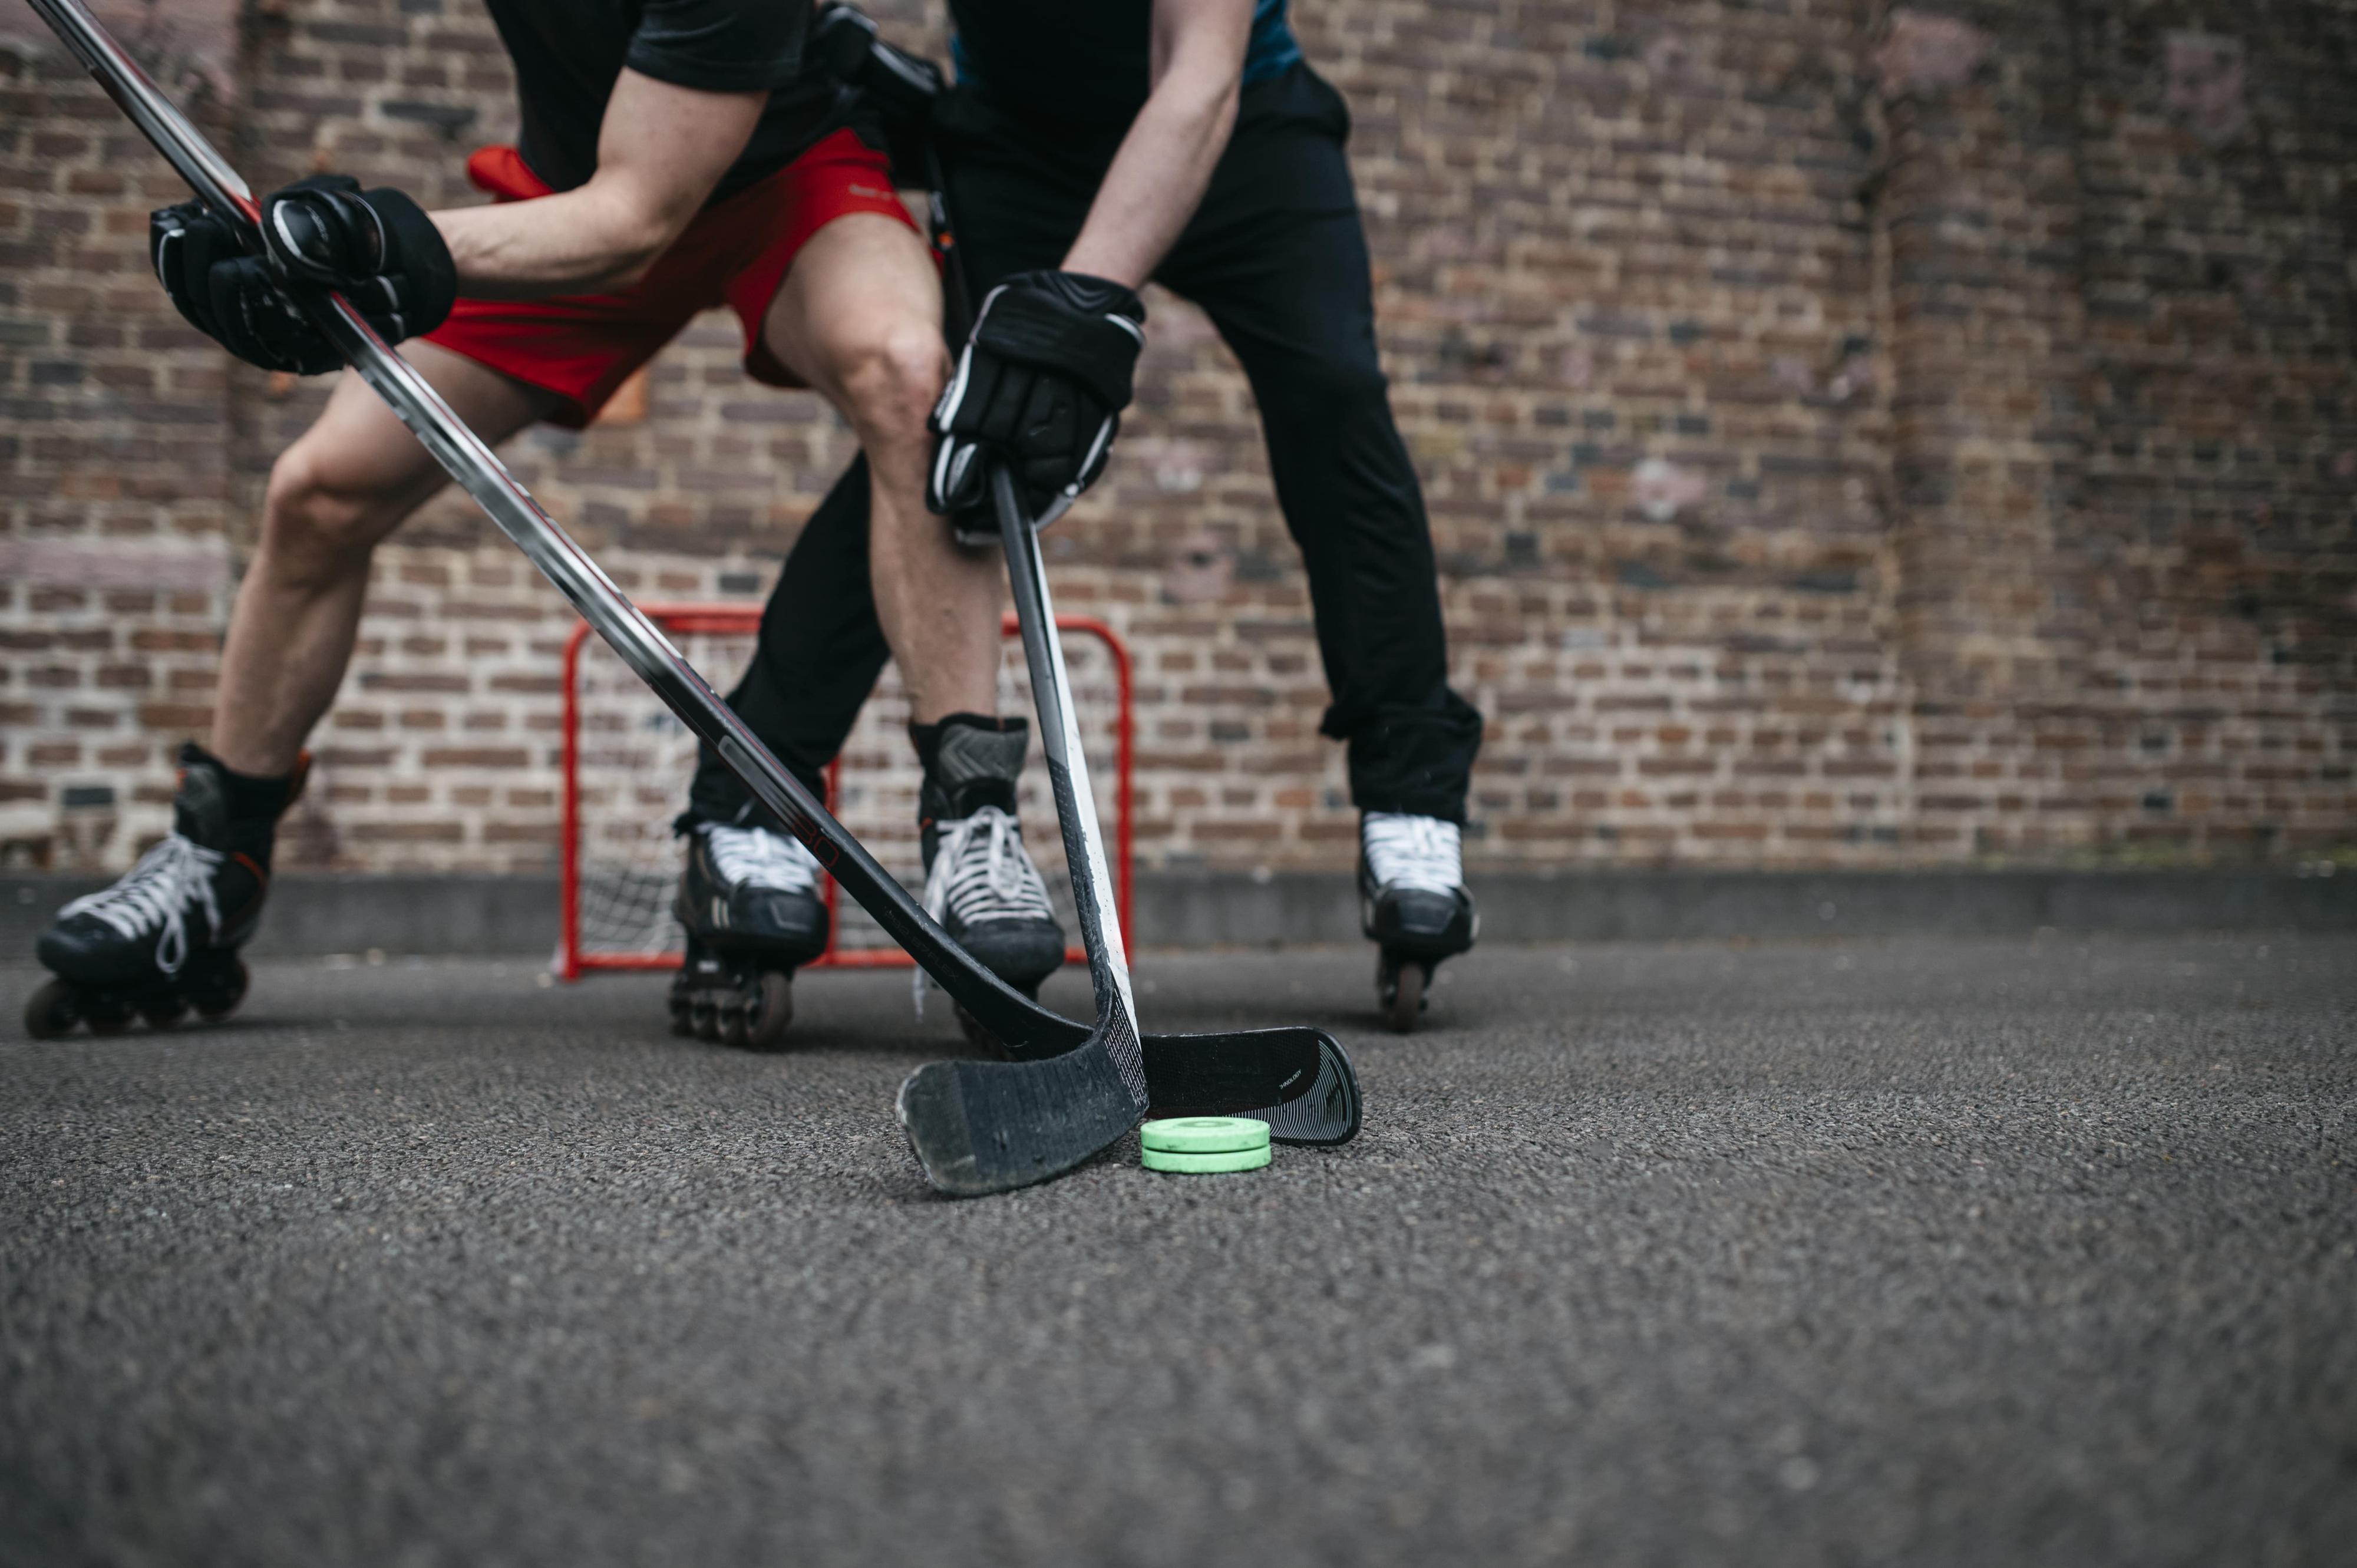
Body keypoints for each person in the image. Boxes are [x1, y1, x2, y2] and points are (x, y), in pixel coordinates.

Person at [27, 0, 1039, 1045]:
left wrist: (354, 242)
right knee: (318, 490)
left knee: (912, 380)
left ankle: (972, 826)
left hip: (781, 190)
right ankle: (212, 863)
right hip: (570, 196)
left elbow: (637, 218)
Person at [686, 0, 1484, 1029]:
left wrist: (1083, 308)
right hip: (1022, 142)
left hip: (1241, 127)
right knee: (960, 437)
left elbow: (1197, 77)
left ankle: (1411, 796)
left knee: (1334, 394)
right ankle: (753, 803)